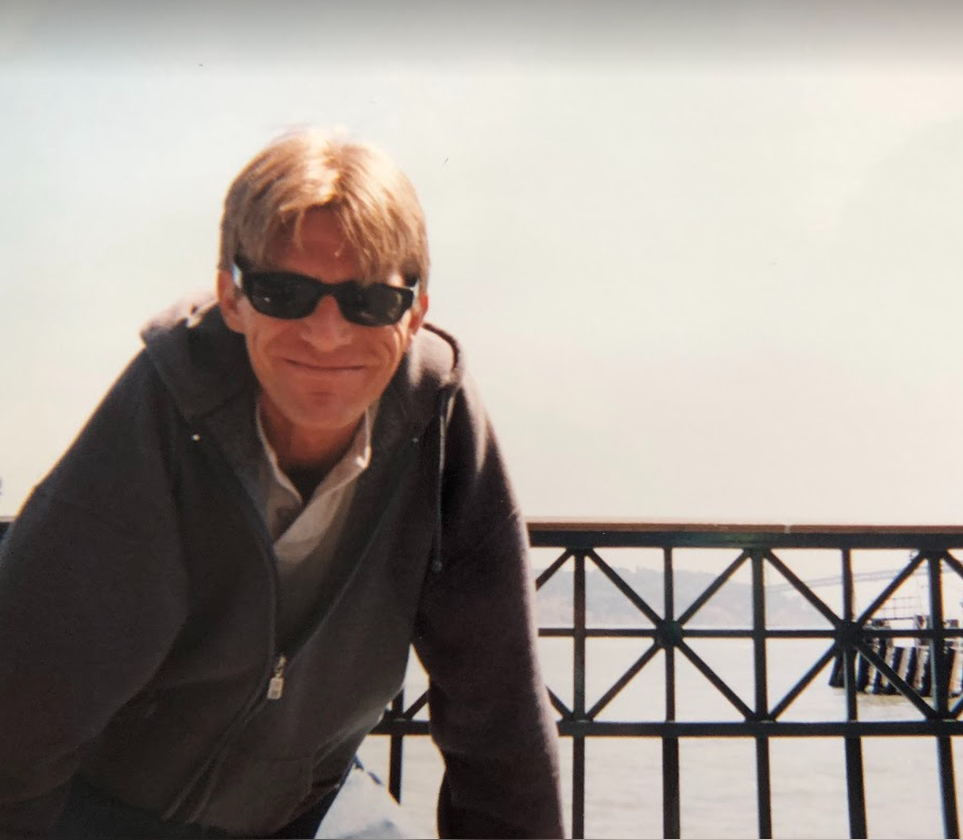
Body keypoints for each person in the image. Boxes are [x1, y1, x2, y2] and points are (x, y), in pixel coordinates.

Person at [0, 128, 564, 839]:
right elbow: (20, 716)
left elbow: (499, 719)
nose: (326, 333)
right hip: (100, 808)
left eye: (370, 300)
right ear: (232, 297)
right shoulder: (165, 411)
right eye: (283, 293)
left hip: (295, 807)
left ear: (416, 310)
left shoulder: (438, 417)